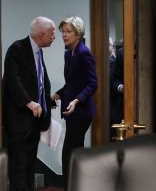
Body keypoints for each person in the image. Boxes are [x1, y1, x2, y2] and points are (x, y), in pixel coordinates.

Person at [2, 16, 56, 191]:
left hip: (35, 121)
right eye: (52, 33)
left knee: (30, 167)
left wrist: (47, 102)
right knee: (18, 168)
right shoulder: (17, 49)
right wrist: (29, 102)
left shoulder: (38, 52)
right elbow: (12, 80)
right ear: (41, 35)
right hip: (19, 121)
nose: (54, 37)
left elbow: (38, 84)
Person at [51, 16, 98, 189]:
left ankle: (69, 187)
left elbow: (93, 83)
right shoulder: (68, 53)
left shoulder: (84, 53)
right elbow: (72, 83)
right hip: (73, 111)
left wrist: (77, 100)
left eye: (68, 31)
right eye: (63, 31)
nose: (64, 35)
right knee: (75, 152)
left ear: (78, 34)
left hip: (81, 112)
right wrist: (58, 94)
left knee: (68, 153)